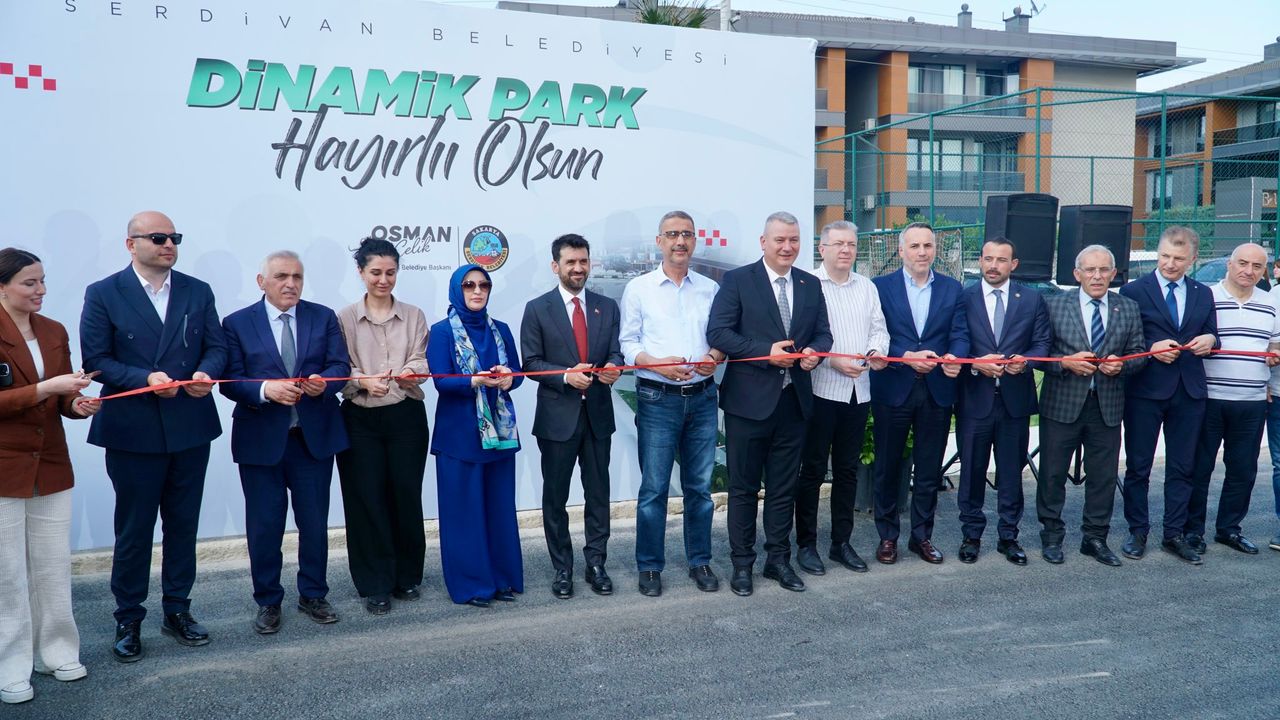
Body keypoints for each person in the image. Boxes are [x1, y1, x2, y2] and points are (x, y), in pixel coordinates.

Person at [80, 211, 225, 662]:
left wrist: (205, 373)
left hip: (189, 425)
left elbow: (217, 347)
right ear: (131, 244)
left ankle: (178, 609)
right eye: (159, 237)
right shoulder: (104, 292)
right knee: (135, 529)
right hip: (133, 430)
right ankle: (128, 618)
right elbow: (96, 360)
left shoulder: (197, 290)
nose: (168, 245)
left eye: (174, 237)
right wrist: (145, 378)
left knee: (183, 525)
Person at [220, 251, 350, 633]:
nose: (290, 283)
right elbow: (229, 380)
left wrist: (325, 383)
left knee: (314, 523)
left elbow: (340, 367)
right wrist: (265, 390)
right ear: (262, 282)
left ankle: (313, 594)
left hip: (312, 440)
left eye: (297, 276)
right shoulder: (237, 323)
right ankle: (268, 600)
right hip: (261, 440)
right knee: (264, 525)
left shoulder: (322, 317)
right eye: (281, 276)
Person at [707, 211, 833, 596]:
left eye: (794, 240)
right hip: (748, 405)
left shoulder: (810, 284)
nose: (787, 246)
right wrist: (766, 353)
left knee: (783, 489)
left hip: (794, 403)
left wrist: (814, 353)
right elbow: (718, 333)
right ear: (764, 242)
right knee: (743, 489)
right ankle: (742, 565)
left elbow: (824, 334)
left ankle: (778, 560)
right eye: (780, 239)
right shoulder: (738, 280)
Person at [0, 250, 98, 705]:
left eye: (42, 281)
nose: (40, 290)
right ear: (2, 287)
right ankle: (10, 665)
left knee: (53, 566)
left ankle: (57, 652)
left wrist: (76, 404)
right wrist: (47, 388)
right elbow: (36, 393)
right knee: (8, 573)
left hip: (51, 463)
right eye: (29, 283)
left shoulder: (54, 330)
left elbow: (61, 400)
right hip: (5, 466)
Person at [620, 211, 724, 596]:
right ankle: (649, 566)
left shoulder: (710, 289)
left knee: (699, 488)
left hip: (703, 397)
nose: (680, 241)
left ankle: (700, 561)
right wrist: (657, 365)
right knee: (654, 489)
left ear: (695, 241)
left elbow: (722, 338)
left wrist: (713, 356)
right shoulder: (639, 288)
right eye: (673, 234)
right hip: (657, 398)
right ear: (659, 241)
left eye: (687, 234)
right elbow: (628, 344)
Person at [521, 234, 623, 599]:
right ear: (556, 266)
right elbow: (530, 363)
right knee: (555, 497)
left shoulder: (607, 306)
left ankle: (596, 563)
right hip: (557, 419)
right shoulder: (537, 308)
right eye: (571, 262)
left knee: (598, 494)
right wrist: (566, 376)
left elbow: (616, 352)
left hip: (597, 416)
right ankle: (562, 567)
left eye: (583, 261)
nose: (578, 268)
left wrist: (613, 366)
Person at [335, 238, 430, 614]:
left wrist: (411, 372)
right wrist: (362, 381)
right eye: (375, 272)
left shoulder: (414, 315)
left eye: (390, 272)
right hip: (360, 418)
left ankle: (407, 576)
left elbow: (421, 358)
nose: (383, 279)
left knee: (405, 494)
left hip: (406, 416)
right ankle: (375, 582)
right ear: (361, 272)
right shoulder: (343, 318)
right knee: (366, 499)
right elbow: (338, 366)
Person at [1036, 245, 1145, 566]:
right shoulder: (1054, 305)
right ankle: (1051, 536)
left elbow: (1138, 353)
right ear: (1077, 274)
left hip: (1107, 406)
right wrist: (1064, 362)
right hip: (1062, 404)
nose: (1097, 276)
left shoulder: (1128, 308)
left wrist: (1121, 365)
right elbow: (1039, 354)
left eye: (1103, 270)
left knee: (1103, 477)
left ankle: (1095, 538)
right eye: (1090, 270)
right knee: (1052, 473)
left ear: (1114, 274)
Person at [869, 222, 968, 565]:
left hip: (937, 389)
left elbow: (960, 333)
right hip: (893, 386)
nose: (922, 252)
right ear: (901, 251)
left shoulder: (953, 288)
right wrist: (905, 356)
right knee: (887, 467)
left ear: (935, 249)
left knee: (928, 469)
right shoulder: (880, 287)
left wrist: (954, 357)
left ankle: (921, 537)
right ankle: (887, 536)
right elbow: (876, 333)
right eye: (915, 246)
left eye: (928, 245)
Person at [1118, 226, 1217, 564]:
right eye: (1164, 256)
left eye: (1178, 258)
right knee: (1139, 467)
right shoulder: (1133, 291)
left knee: (1182, 467)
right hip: (1145, 391)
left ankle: (1174, 533)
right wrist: (1151, 347)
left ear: (1193, 259)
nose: (1170, 264)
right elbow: (1123, 340)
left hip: (1189, 392)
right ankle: (1137, 531)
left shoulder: (1203, 293)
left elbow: (1212, 333)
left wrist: (1211, 340)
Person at [792, 221, 887, 576]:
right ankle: (806, 545)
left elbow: (879, 329)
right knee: (813, 470)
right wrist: (832, 360)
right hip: (821, 390)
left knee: (848, 471)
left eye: (851, 244)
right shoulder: (808, 285)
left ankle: (840, 543)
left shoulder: (867, 287)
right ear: (822, 249)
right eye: (838, 244)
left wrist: (876, 351)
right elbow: (803, 338)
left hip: (858, 392)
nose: (846, 250)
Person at [428, 265, 525, 607]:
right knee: (463, 514)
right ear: (458, 290)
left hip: (499, 435)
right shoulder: (441, 332)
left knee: (498, 511)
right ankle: (472, 585)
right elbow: (441, 381)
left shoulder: (502, 329)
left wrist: (507, 377)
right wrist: (474, 380)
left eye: (484, 285)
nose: (477, 291)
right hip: (459, 437)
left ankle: (501, 579)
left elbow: (518, 374)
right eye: (469, 285)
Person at [954, 238, 1050, 566]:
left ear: (1014, 264)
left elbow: (1042, 343)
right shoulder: (963, 298)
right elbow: (956, 341)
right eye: (988, 259)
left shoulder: (1032, 299)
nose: (994, 265)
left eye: (1001, 260)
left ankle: (1009, 536)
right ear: (980, 261)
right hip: (974, 399)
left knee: (1011, 472)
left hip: (1014, 401)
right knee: (972, 471)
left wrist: (1027, 361)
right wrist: (974, 363)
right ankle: (971, 535)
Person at [1187, 243, 1280, 556]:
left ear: (1264, 270)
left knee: (1242, 470)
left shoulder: (1271, 303)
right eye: (1242, 263)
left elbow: (1275, 344)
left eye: (1257, 266)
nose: (1248, 271)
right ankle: (1192, 531)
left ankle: (1229, 529)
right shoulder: (1206, 297)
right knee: (1199, 468)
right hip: (1209, 398)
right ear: (1229, 264)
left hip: (1252, 401)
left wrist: (1275, 355)